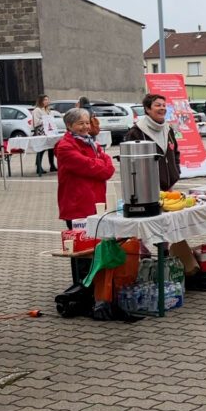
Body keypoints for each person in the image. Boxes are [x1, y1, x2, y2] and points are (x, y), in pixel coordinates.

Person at [125, 94, 200, 276]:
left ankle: (164, 253)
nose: (162, 108)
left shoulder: (167, 129)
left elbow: (175, 152)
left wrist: (176, 170)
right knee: (146, 223)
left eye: (164, 105)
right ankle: (143, 255)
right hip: (146, 187)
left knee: (166, 222)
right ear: (148, 109)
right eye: (157, 105)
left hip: (168, 185)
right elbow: (130, 161)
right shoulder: (137, 132)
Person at [55, 107, 115, 284]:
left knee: (96, 247)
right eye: (80, 123)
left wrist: (102, 164)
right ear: (69, 125)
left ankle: (95, 285)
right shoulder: (65, 147)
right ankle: (81, 287)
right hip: (77, 206)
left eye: (87, 122)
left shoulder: (92, 143)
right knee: (81, 251)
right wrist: (102, 164)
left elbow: (107, 166)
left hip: (96, 203)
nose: (85, 127)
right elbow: (94, 167)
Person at [31, 94, 57, 176]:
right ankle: (39, 167)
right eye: (45, 99)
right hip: (41, 132)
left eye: (47, 100)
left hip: (49, 131)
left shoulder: (48, 110)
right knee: (41, 149)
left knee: (51, 147)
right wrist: (45, 120)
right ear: (41, 101)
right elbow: (36, 122)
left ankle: (52, 165)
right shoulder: (37, 110)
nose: (47, 101)